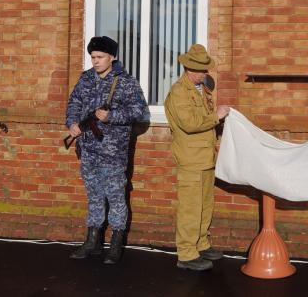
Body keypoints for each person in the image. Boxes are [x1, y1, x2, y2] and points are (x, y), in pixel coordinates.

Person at [66, 36, 150, 264]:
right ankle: (92, 240)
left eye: (100, 57)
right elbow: (73, 102)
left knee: (115, 196)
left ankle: (115, 243)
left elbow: (141, 112)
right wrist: (72, 123)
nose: (95, 61)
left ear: (112, 57)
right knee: (93, 195)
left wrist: (113, 116)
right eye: (93, 57)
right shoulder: (85, 80)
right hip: (88, 149)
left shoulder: (126, 82)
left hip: (113, 152)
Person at [164, 44, 230, 271]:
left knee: (205, 206)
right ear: (189, 68)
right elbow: (190, 124)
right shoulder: (179, 92)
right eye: (201, 70)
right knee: (190, 208)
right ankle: (186, 253)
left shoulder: (201, 89)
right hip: (190, 160)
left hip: (205, 158)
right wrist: (216, 116)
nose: (205, 73)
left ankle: (201, 244)